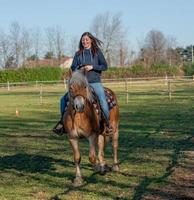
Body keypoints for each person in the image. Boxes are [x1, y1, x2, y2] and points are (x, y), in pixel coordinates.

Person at [53, 32, 112, 135]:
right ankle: (62, 123)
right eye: (83, 40)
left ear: (91, 40)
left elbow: (104, 66)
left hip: (94, 82)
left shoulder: (97, 52)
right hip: (80, 85)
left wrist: (92, 67)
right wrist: (79, 68)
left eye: (87, 39)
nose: (85, 41)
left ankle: (107, 124)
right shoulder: (78, 54)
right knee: (63, 100)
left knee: (103, 101)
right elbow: (72, 68)